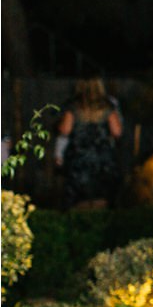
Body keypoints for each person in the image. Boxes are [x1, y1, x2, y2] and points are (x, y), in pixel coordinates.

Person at [55, 78, 124, 209]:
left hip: (79, 159)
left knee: (77, 197)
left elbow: (65, 130)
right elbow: (117, 131)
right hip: (102, 160)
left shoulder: (74, 107)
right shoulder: (107, 107)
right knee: (104, 196)